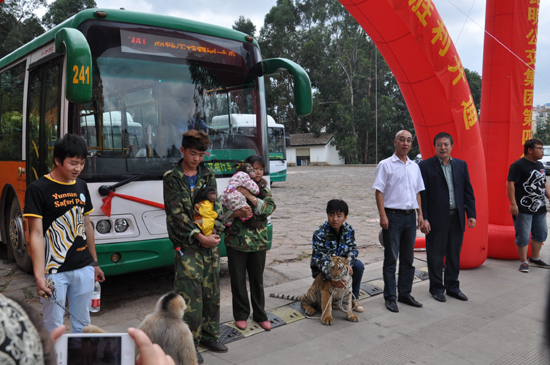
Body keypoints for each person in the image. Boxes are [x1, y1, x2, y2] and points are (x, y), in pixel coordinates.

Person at [163, 130, 249, 363]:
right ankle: (188, 344)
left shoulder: (207, 173)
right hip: (187, 244)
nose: (197, 159)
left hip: (210, 243)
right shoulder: (172, 177)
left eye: (201, 154)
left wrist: (217, 232)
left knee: (212, 292)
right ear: (182, 151)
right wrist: (199, 236)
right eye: (193, 154)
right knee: (190, 296)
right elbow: (177, 214)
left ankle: (210, 336)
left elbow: (216, 206)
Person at [24, 134, 105, 333]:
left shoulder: (81, 186)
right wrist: (39, 275)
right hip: (54, 272)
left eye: (82, 163)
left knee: (83, 324)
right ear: (58, 160)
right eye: (73, 163)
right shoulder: (37, 189)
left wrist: (94, 263)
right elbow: (35, 234)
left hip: (83, 268)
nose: (78, 168)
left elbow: (87, 225)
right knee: (54, 326)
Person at [419, 132, 476, 302]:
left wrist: (471, 214)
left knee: (453, 254)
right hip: (436, 219)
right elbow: (423, 195)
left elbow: (468, 191)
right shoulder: (425, 166)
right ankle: (436, 288)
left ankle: (452, 287)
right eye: (439, 145)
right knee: (435, 255)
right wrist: (425, 218)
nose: (442, 147)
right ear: (435, 147)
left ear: (451, 146)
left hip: (456, 217)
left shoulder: (461, 165)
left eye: (446, 144)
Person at [372, 130, 425, 313]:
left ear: (412, 144)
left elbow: (418, 192)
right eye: (402, 140)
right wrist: (383, 215)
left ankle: (405, 293)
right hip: (393, 216)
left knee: (408, 259)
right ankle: (390, 297)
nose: (405, 143)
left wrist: (420, 215)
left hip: (411, 217)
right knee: (391, 259)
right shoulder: (385, 165)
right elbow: (379, 191)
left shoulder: (414, 166)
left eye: (409, 140)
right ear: (395, 142)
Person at [224, 155, 276, 331]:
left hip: (257, 242)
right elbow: (221, 210)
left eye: (261, 169)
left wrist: (248, 195)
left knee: (257, 280)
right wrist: (236, 213)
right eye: (254, 168)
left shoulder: (263, 188)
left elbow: (268, 208)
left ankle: (260, 315)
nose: (258, 172)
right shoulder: (234, 185)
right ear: (247, 169)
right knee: (238, 281)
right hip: (235, 242)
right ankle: (241, 315)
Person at [310, 199, 365, 312]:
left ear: (345, 217)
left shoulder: (348, 229)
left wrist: (349, 264)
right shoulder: (320, 233)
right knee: (322, 303)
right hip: (325, 269)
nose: (335, 219)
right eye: (331, 215)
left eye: (339, 215)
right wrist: (332, 276)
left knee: (358, 266)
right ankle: (330, 301)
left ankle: (354, 298)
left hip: (342, 266)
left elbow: (353, 250)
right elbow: (319, 259)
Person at [506, 138, 550, 273]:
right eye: (540, 149)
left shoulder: (539, 165)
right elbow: (510, 183)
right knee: (523, 236)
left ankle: (535, 258)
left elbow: (544, 183)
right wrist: (513, 204)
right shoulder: (518, 165)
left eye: (543, 149)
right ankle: (524, 261)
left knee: (541, 233)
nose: (543, 152)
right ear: (530, 150)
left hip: (540, 208)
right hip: (523, 208)